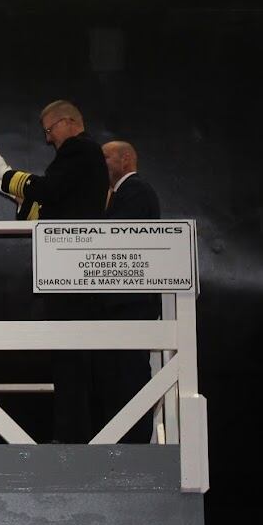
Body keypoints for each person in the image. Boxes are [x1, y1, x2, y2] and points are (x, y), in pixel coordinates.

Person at [0, 100, 109, 443]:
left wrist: (8, 176)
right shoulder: (81, 156)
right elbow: (50, 205)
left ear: (68, 122)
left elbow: (49, 191)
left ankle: (72, 436)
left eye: (49, 130)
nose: (47, 139)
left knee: (70, 356)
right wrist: (11, 185)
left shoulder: (79, 149)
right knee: (66, 356)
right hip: (68, 265)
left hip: (71, 266)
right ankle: (71, 434)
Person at [100, 140, 162, 443]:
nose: (102, 163)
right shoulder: (121, 194)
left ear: (126, 159)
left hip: (132, 302)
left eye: (106, 157)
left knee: (131, 373)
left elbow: (114, 233)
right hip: (124, 303)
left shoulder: (135, 191)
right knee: (121, 375)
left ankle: (136, 440)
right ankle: (125, 438)